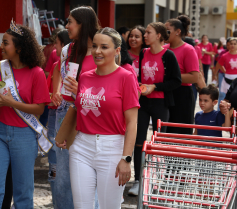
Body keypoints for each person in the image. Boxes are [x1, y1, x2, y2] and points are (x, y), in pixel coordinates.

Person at [58, 27, 139, 208]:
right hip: (81, 147)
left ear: (117, 50)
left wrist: (126, 159)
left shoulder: (126, 77)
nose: (97, 51)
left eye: (104, 47)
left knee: (109, 206)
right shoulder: (85, 77)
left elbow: (132, 122)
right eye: (94, 46)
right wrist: (67, 134)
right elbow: (81, 109)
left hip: (112, 148)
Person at [0, 20, 51, 209]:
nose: (1, 46)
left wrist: (10, 102)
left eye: (6, 42)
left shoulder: (37, 73)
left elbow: (39, 109)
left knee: (23, 190)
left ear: (19, 48)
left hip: (24, 134)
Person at [51, 6, 100, 209]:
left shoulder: (101, 50)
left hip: (91, 114)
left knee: (88, 179)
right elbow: (57, 70)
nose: (67, 26)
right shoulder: (67, 49)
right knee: (61, 178)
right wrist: (56, 90)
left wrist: (82, 91)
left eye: (71, 21)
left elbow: (107, 88)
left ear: (83, 24)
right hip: (66, 112)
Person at [128, 22, 182, 196]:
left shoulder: (169, 55)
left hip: (161, 104)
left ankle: (157, 180)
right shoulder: (143, 53)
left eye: (148, 33)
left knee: (159, 142)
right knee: (138, 141)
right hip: (143, 103)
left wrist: (155, 87)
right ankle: (138, 180)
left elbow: (176, 81)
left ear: (158, 35)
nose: (145, 35)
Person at [45, 29, 72, 208]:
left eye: (56, 42)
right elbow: (51, 94)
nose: (54, 46)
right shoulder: (57, 64)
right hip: (56, 115)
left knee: (64, 167)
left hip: (67, 116)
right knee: (56, 167)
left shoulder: (73, 65)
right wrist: (53, 93)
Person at [164, 15, 200, 135]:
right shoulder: (163, 49)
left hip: (182, 95)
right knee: (164, 132)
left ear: (178, 32)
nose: (164, 33)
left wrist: (171, 76)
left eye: (167, 30)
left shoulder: (188, 49)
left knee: (180, 133)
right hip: (165, 93)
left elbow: (195, 77)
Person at [217, 38, 231, 111]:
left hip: (232, 77)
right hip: (222, 74)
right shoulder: (223, 53)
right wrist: (225, 71)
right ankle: (219, 110)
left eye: (233, 44)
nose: (230, 46)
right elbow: (219, 64)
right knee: (222, 94)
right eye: (228, 44)